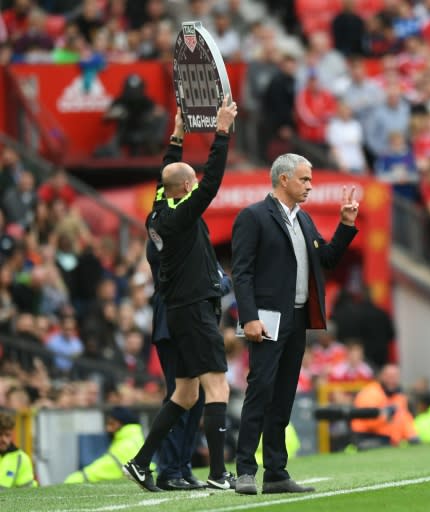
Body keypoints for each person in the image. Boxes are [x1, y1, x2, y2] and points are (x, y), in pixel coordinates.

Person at [123, 97, 238, 493]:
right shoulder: (182, 213)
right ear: (185, 188)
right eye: (191, 181)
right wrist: (221, 131)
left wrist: (177, 135)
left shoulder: (159, 207)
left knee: (186, 393)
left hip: (180, 307)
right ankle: (220, 472)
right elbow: (212, 183)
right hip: (193, 308)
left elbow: (165, 176)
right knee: (217, 387)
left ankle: (140, 463)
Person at [231, 153, 359, 495]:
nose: (310, 186)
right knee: (259, 392)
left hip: (298, 318)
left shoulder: (304, 221)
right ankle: (245, 470)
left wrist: (346, 225)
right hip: (267, 320)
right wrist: (249, 317)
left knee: (284, 395)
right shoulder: (253, 216)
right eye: (304, 179)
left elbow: (327, 259)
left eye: (310, 179)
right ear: (283, 179)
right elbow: (240, 272)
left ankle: (275, 472)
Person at [146, 221, 232, 490]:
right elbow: (214, 282)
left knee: (195, 399)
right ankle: (168, 469)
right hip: (175, 322)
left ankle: (181, 467)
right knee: (180, 396)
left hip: (194, 322)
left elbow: (218, 281)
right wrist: (216, 282)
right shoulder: (169, 233)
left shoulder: (194, 240)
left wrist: (216, 282)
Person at [64, 407, 144, 484]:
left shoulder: (127, 445)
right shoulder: (134, 437)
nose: (108, 428)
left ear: (122, 423)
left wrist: (75, 478)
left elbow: (104, 468)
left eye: (112, 424)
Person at [350, 364, 419, 449]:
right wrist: (385, 416)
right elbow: (367, 419)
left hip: (388, 439)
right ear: (382, 376)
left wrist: (412, 436)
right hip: (367, 436)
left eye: (395, 377)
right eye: (389, 376)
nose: (392, 380)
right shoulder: (370, 393)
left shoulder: (399, 397)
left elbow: (405, 417)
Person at [0, 410, 37, 489]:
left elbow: (28, 491)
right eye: (0, 434)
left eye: (7, 435)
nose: (3, 439)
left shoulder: (22, 458)